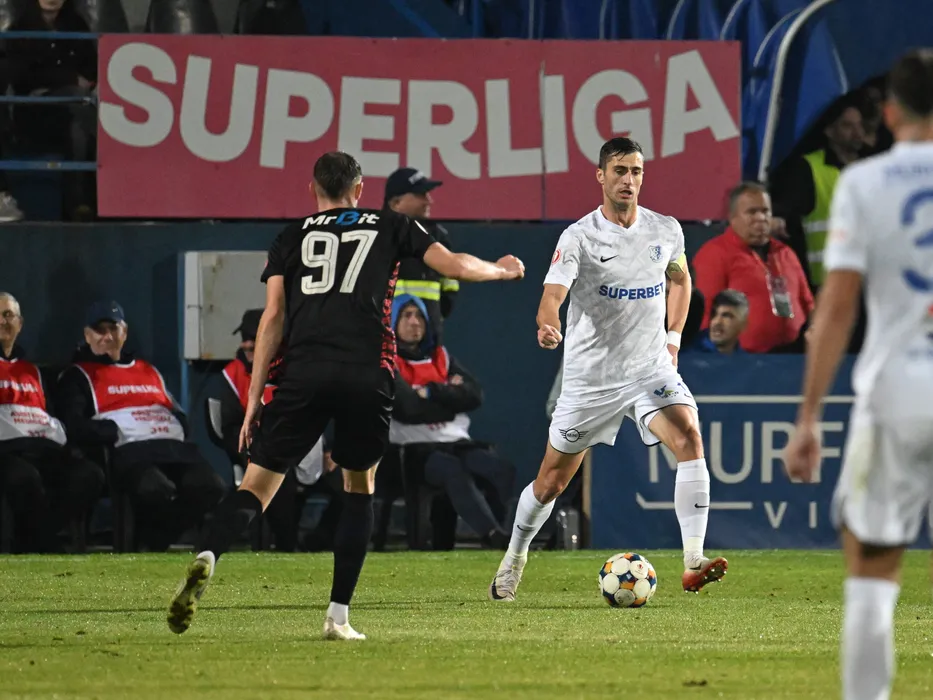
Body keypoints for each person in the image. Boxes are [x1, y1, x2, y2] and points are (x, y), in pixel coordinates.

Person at [168, 151, 524, 641]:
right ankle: (337, 617)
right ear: (359, 190)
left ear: (313, 189)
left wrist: (252, 402)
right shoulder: (392, 225)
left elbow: (272, 319)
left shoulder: (291, 236)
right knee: (359, 487)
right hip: (366, 372)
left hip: (302, 373)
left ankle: (208, 554)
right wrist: (502, 270)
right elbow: (454, 266)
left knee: (256, 487)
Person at [489, 136, 727, 602]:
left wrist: (673, 338)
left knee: (689, 437)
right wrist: (548, 324)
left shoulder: (665, 230)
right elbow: (552, 296)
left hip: (649, 369)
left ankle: (693, 561)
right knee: (551, 483)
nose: (628, 180)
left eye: (636, 171)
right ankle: (514, 557)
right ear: (601, 176)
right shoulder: (579, 237)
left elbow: (680, 280)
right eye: (619, 170)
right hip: (591, 380)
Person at [783, 50, 933, 700]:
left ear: (889, 113)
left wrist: (808, 418)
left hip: (895, 392)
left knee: (872, 567)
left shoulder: (864, 183)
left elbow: (837, 308)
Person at [384, 167, 459, 344]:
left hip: (427, 340)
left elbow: (450, 285)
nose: (429, 201)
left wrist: (432, 316)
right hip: (381, 340)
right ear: (395, 203)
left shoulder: (438, 236)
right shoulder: (375, 237)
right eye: (420, 194)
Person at [685, 290, 748, 355]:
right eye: (713, 314)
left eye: (727, 316)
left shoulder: (745, 359)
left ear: (743, 324)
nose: (717, 322)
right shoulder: (687, 349)